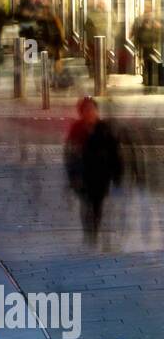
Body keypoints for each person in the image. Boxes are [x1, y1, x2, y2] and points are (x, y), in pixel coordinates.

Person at [64, 96, 123, 242]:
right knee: (85, 203)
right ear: (81, 112)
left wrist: (117, 175)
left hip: (101, 174)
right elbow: (70, 153)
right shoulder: (77, 129)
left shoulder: (105, 128)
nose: (90, 112)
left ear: (96, 111)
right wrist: (72, 175)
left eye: (92, 109)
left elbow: (115, 152)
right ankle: (88, 232)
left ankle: (94, 231)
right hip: (82, 174)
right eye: (86, 110)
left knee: (97, 203)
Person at [131, 1, 161, 88]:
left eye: (149, 8)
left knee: (151, 62)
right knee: (146, 62)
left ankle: (150, 79)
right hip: (144, 45)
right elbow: (135, 32)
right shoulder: (140, 19)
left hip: (153, 45)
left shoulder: (155, 20)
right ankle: (147, 79)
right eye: (146, 8)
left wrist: (157, 27)